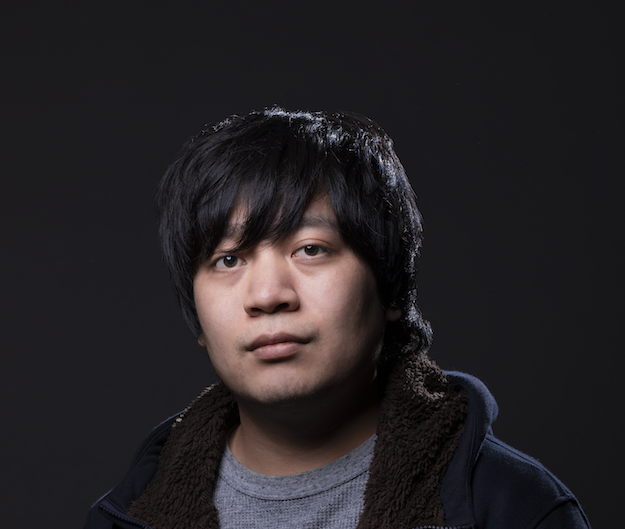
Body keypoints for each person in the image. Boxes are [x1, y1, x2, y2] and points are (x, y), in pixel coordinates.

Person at [84, 107, 590, 528]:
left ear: (389, 286)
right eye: (228, 259)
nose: (267, 295)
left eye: (310, 249)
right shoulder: (126, 516)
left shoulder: (517, 510)